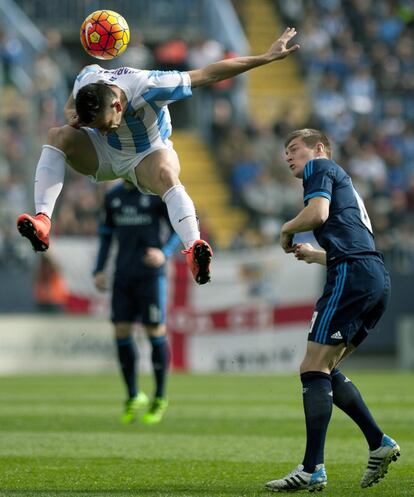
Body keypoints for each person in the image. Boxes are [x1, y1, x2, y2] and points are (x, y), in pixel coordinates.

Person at [16, 27, 300, 285]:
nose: (103, 129)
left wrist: (266, 57)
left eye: (103, 123)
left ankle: (194, 249)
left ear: (117, 104)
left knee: (166, 174)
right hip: (104, 156)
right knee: (58, 135)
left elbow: (210, 73)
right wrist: (74, 119)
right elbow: (71, 106)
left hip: (147, 155)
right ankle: (43, 221)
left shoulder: (150, 86)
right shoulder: (89, 78)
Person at [265, 129, 400, 492]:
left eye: (294, 149)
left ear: (319, 148)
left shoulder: (321, 166)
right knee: (325, 368)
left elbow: (317, 214)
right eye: (286, 152)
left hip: (352, 275)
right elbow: (357, 243)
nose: (289, 157)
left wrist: (287, 228)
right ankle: (379, 443)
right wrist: (318, 255)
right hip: (373, 276)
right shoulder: (344, 182)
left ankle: (312, 467)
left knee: (312, 367)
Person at [93, 180, 180, 424]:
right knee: (121, 330)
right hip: (123, 275)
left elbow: (178, 227)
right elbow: (106, 235)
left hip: (150, 276)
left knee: (155, 330)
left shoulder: (155, 194)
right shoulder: (113, 197)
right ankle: (133, 394)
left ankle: (160, 396)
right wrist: (99, 269)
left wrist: (164, 252)